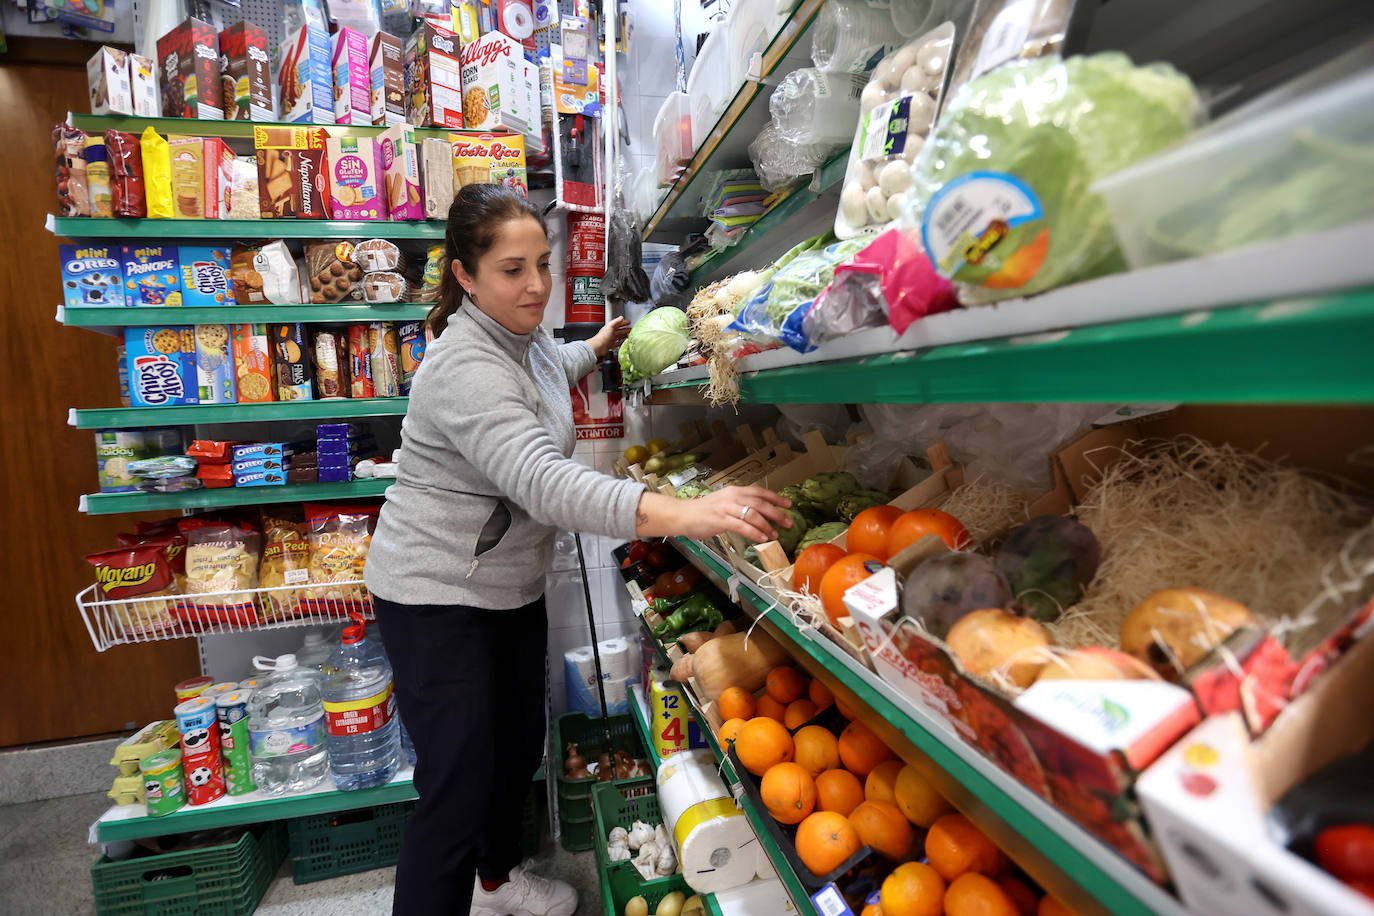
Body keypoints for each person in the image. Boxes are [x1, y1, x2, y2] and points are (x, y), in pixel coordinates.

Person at [364, 184, 792, 916]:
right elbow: (542, 481)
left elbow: (547, 366)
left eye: (542, 264)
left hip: (506, 587)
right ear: (465, 275)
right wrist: (683, 513)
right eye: (511, 269)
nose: (535, 286)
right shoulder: (466, 365)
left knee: (515, 750)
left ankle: (494, 881)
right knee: (456, 786)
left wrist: (597, 347)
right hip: (435, 595)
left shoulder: (521, 341)